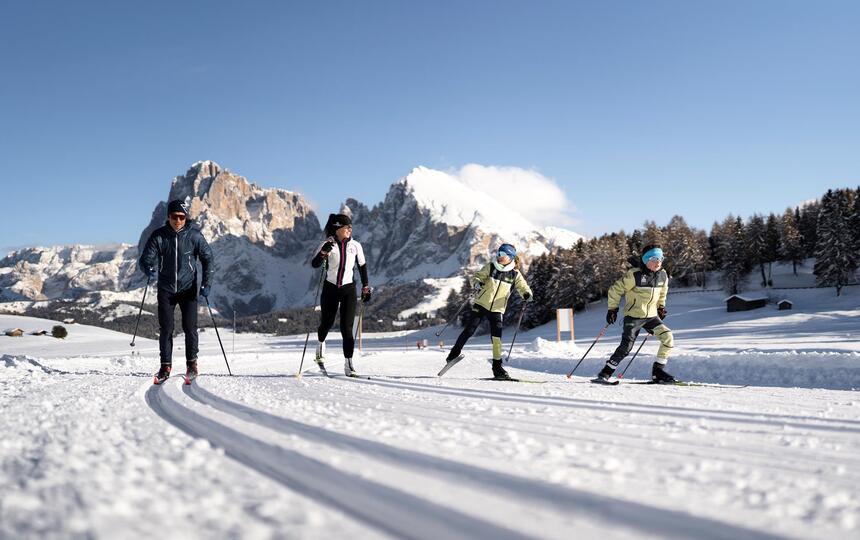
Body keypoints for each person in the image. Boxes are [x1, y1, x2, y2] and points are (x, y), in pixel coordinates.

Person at [139, 200, 214, 384]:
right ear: (169, 217)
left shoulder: (194, 236)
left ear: (186, 217)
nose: (178, 220)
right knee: (166, 329)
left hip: (188, 289)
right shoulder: (159, 236)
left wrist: (207, 283)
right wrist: (147, 267)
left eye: (182, 217)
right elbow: (145, 258)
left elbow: (208, 258)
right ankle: (165, 367)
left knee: (190, 327)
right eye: (174, 216)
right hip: (166, 289)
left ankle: (192, 364)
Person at [442, 243, 532, 380]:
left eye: (503, 254)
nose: (499, 256)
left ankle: (497, 368)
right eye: (498, 253)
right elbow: (476, 277)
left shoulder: (515, 274)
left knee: (496, 339)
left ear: (510, 257)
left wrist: (526, 294)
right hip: (481, 304)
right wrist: (477, 283)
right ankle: (452, 355)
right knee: (469, 330)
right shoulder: (491, 267)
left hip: (497, 309)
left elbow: (523, 287)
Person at [594, 244, 675, 384]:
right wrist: (612, 309)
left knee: (668, 337)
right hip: (633, 317)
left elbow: (663, 292)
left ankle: (658, 372)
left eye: (660, 258)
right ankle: (605, 373)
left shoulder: (663, 275)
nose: (658, 262)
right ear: (646, 260)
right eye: (654, 259)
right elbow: (615, 290)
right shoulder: (634, 274)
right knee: (626, 347)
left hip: (651, 317)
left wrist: (661, 307)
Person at [310, 213, 371, 376]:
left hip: (348, 290)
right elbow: (315, 264)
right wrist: (323, 253)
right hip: (330, 289)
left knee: (347, 327)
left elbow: (362, 267)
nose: (350, 230)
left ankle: (348, 364)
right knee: (327, 323)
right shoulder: (327, 244)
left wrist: (366, 286)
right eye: (347, 227)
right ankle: (320, 345)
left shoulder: (356, 246)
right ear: (337, 228)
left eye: (351, 227)